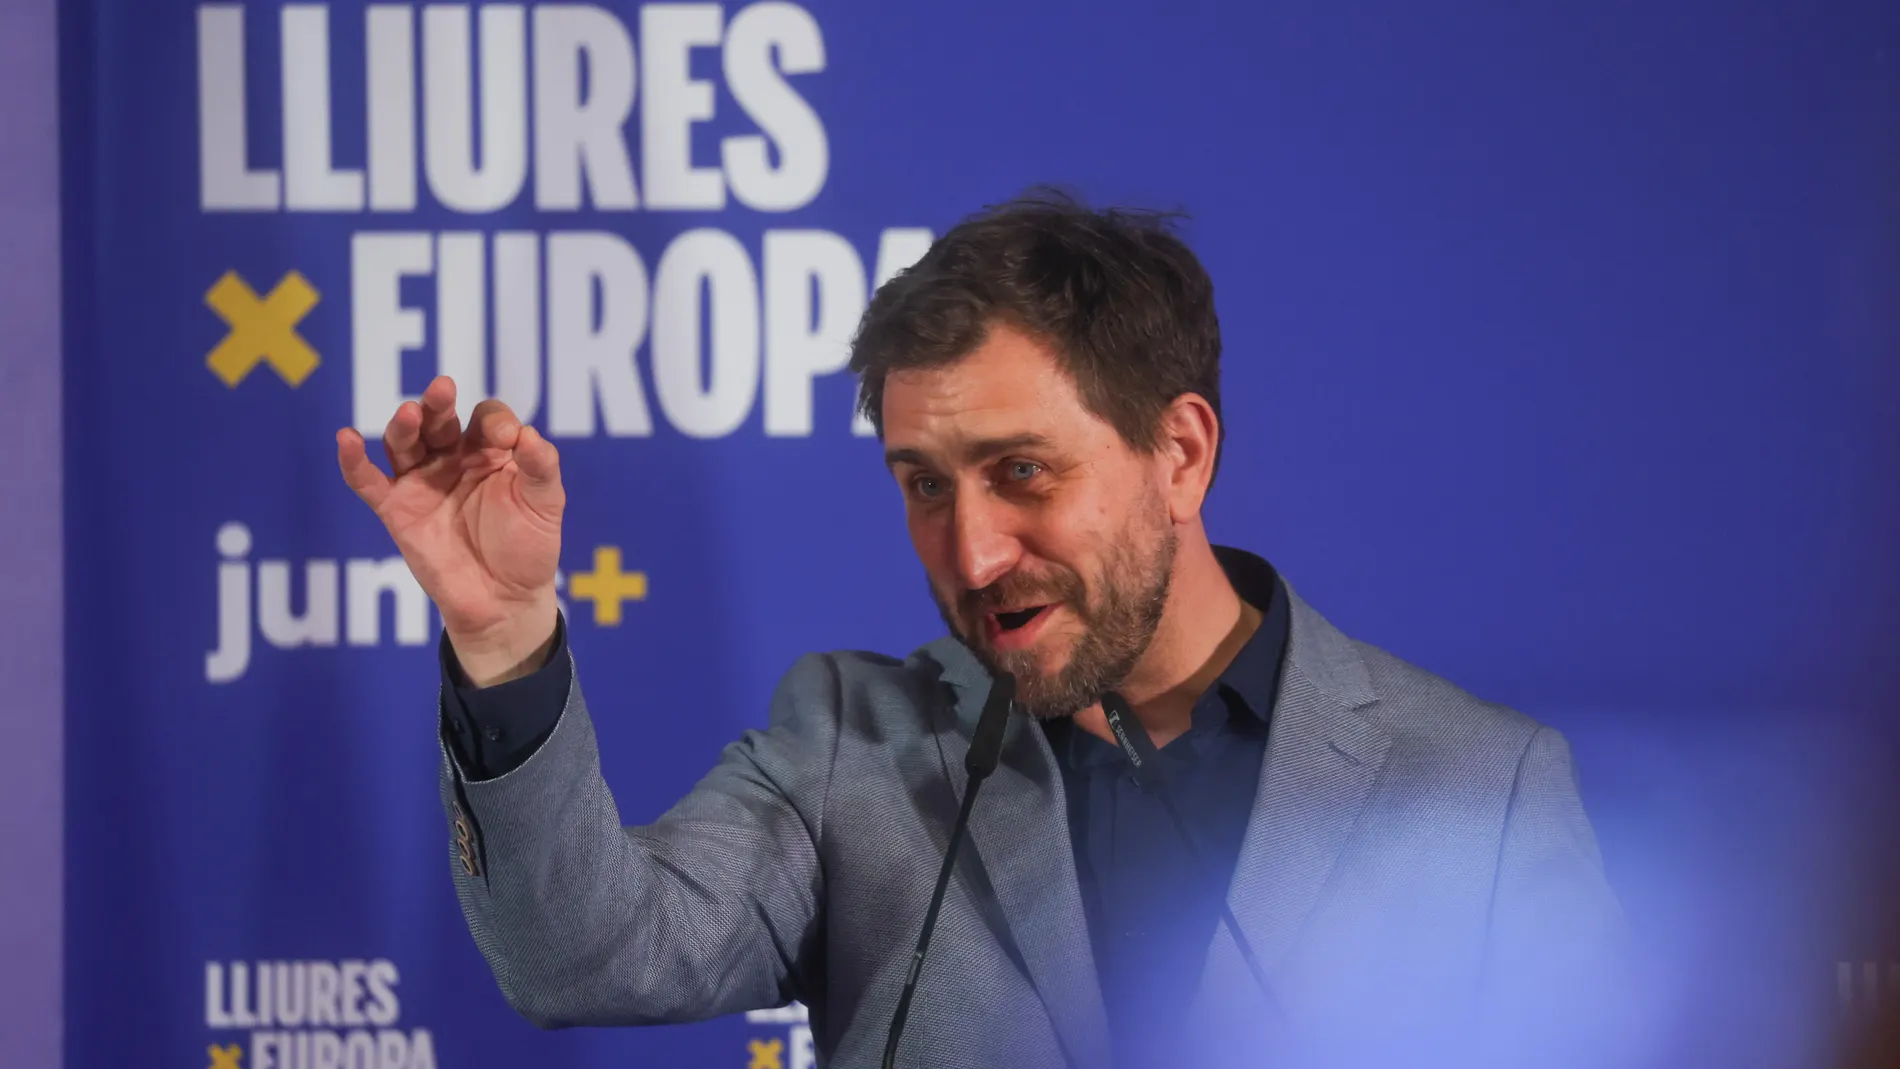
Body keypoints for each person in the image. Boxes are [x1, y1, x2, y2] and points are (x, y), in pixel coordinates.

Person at [336, 193, 1630, 1068]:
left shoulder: (1479, 790)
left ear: (1180, 455)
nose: (970, 555)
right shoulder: (853, 744)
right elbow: (584, 957)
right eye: (923, 485)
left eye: (1023, 472)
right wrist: (505, 634)